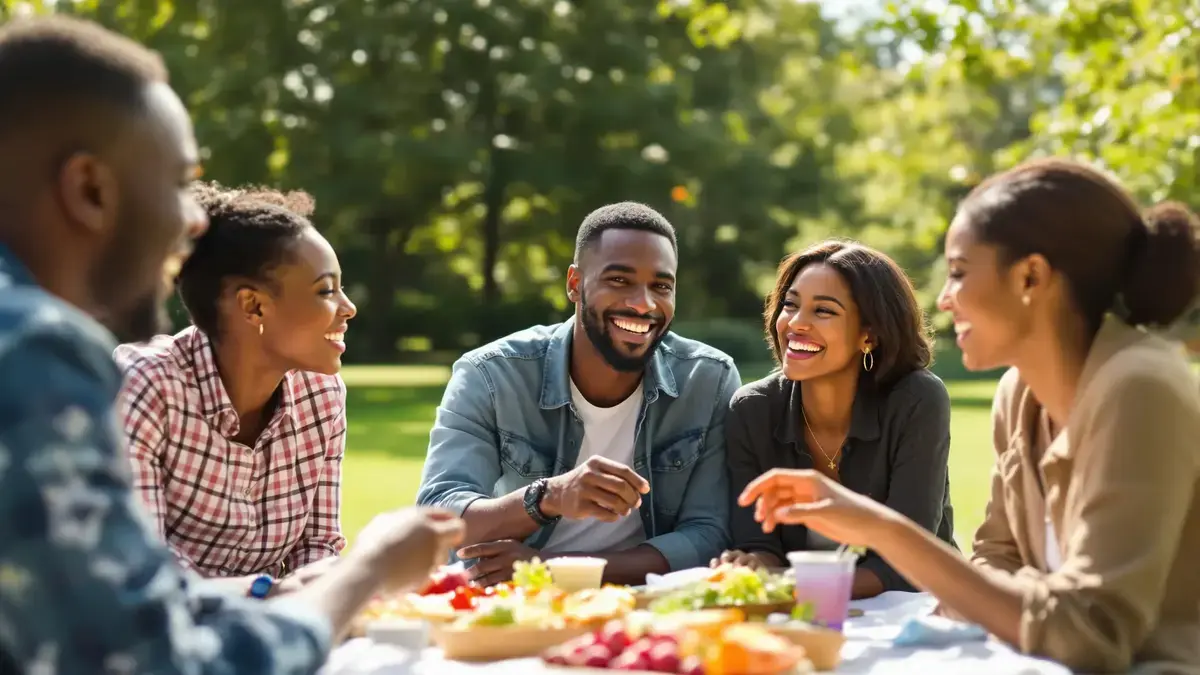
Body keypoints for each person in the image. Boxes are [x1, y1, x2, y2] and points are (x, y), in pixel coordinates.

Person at [0, 16, 462, 674]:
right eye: (177, 181)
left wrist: (321, 581)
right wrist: (369, 567)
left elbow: (129, 605)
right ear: (90, 189)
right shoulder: (31, 350)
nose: (196, 221)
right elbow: (164, 663)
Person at [738, 158, 1200, 673]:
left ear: (1029, 277)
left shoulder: (1139, 386)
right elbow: (996, 559)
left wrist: (879, 528)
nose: (943, 299)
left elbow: (1092, 634)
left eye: (958, 273)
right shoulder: (1019, 394)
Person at [417, 202, 740, 586]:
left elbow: (708, 533)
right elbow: (436, 519)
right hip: (515, 602)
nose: (643, 303)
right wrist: (548, 497)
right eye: (619, 280)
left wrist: (551, 568)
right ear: (574, 284)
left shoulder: (708, 380)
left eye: (661, 286)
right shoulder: (490, 375)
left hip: (642, 598)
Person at [114, 182, 356, 594]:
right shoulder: (145, 387)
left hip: (266, 624)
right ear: (253, 306)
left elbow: (318, 546)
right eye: (326, 291)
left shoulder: (322, 394)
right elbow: (140, 568)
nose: (348, 308)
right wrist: (267, 592)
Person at [715, 240, 955, 599]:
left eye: (823, 311)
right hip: (798, 611)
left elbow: (911, 555)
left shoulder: (917, 399)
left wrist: (797, 589)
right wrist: (752, 566)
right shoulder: (752, 409)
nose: (796, 323)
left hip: (917, 606)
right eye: (790, 305)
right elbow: (759, 542)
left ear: (869, 335)